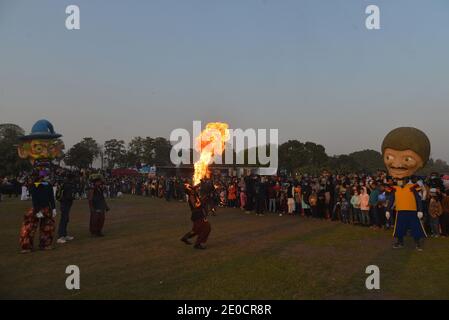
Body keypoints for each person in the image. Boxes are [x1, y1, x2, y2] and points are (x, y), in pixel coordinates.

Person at [383, 127, 430, 251]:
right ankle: (399, 242)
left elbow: (418, 199)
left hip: (413, 211)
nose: (398, 165)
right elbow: (392, 199)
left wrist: (420, 210)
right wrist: (388, 209)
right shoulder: (395, 188)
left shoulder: (413, 187)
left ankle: (418, 243)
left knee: (416, 228)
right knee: (399, 228)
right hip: (401, 211)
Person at [19, 170, 57, 253]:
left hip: (42, 208)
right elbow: (37, 199)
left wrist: (53, 208)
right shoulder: (38, 185)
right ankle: (29, 246)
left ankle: (38, 245)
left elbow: (49, 198)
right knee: (32, 227)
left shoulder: (40, 185)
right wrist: (38, 211)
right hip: (41, 208)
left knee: (42, 227)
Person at [181, 183, 211, 249]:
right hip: (197, 215)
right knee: (207, 227)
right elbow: (195, 206)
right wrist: (203, 200)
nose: (193, 188)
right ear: (190, 191)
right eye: (190, 188)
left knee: (196, 230)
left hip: (198, 214)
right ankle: (197, 244)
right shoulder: (191, 196)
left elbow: (197, 186)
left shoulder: (194, 194)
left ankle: (185, 237)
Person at [56, 173, 76, 244]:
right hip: (65, 203)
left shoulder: (64, 184)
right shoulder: (68, 185)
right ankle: (60, 236)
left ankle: (64, 234)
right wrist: (73, 197)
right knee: (64, 219)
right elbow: (68, 196)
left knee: (66, 219)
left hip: (64, 203)